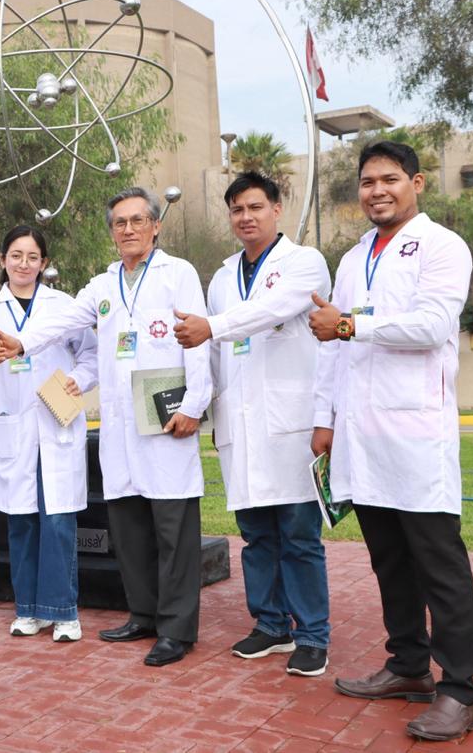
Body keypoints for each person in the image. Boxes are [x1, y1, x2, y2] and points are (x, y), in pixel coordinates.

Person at [0, 187, 212, 667]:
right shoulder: (102, 284)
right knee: (129, 524)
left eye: (138, 221)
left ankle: (176, 628)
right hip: (119, 418)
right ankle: (144, 613)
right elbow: (64, 321)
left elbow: (197, 339)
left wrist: (196, 403)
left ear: (155, 226)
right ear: (111, 230)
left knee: (172, 525)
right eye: (120, 223)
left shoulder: (179, 274)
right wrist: (22, 343)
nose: (129, 230)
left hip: (166, 409)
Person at [309, 141, 473, 742]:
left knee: (440, 565)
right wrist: (325, 419)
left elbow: (433, 326)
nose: (377, 191)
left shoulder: (441, 246)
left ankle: (460, 690)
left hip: (415, 432)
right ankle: (408, 665)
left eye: (389, 180)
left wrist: (351, 324)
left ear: (418, 182)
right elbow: (333, 347)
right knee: (390, 562)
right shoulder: (354, 256)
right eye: (367, 182)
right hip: (363, 435)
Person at [172, 172, 332, 676]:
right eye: (238, 209)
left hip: (290, 425)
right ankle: (270, 624)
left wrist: (212, 327)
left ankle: (312, 634)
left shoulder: (304, 263)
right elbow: (213, 357)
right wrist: (201, 407)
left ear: (277, 209)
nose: (247, 217)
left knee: (299, 536)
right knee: (256, 535)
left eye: (256, 207)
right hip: (239, 426)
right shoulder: (221, 278)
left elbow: (272, 310)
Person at [0, 226, 97, 644]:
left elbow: (91, 355)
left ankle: (64, 612)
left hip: (56, 422)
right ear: (2, 260)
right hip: (14, 429)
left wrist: (76, 381)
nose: (24, 264)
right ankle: (27, 610)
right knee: (21, 524)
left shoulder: (63, 306)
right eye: (16, 255)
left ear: (44, 264)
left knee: (59, 523)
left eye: (33, 257)